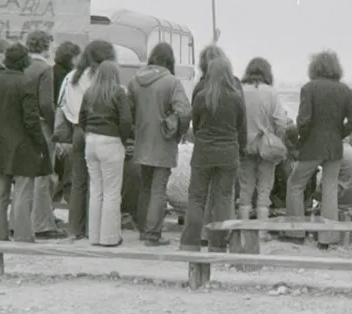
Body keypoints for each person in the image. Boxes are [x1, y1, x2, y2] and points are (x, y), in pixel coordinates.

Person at [286, 50, 352, 247]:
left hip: (312, 145)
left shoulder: (309, 88)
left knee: (295, 184)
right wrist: (339, 133)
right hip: (334, 147)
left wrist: (302, 138)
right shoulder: (345, 90)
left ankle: (296, 233)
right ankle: (327, 239)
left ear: (315, 67)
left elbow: (303, 120)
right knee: (330, 189)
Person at [180, 46, 246, 253]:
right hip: (228, 153)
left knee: (197, 198)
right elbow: (240, 128)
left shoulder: (201, 96)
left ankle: (189, 243)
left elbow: (197, 126)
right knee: (224, 199)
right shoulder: (236, 98)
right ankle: (218, 245)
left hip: (203, 153)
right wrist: (239, 151)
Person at [0, 43, 52, 242]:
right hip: (23, 144)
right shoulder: (26, 83)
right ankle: (23, 235)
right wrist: (40, 143)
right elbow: (30, 119)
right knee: (23, 192)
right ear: (25, 60)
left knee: (0, 193)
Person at [128, 42, 192, 246]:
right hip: (163, 143)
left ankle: (142, 230)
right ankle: (153, 234)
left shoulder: (135, 81)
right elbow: (184, 111)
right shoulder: (171, 82)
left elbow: (128, 112)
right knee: (158, 189)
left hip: (142, 142)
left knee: (145, 187)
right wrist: (177, 130)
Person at [78, 53, 133, 247]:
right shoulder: (118, 92)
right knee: (112, 192)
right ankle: (109, 238)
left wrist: (89, 133)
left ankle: (94, 236)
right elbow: (126, 121)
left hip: (91, 141)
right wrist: (123, 139)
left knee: (96, 190)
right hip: (110, 141)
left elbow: (81, 119)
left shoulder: (89, 92)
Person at [58, 43, 105, 239]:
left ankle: (75, 229)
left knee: (78, 181)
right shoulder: (98, 78)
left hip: (76, 130)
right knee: (96, 181)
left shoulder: (70, 77)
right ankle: (93, 228)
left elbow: (60, 104)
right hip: (95, 130)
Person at [238, 57, 290, 224]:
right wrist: (277, 140)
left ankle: (244, 229)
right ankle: (261, 230)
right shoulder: (271, 93)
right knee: (264, 190)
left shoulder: (240, 90)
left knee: (245, 189)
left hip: (245, 146)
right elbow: (281, 122)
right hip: (267, 148)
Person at [24, 29, 62, 238]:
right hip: (42, 126)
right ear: (46, 46)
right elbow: (46, 103)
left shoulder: (23, 66)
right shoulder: (45, 69)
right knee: (43, 174)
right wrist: (55, 123)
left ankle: (22, 220)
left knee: (26, 175)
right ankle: (43, 224)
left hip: (24, 126)